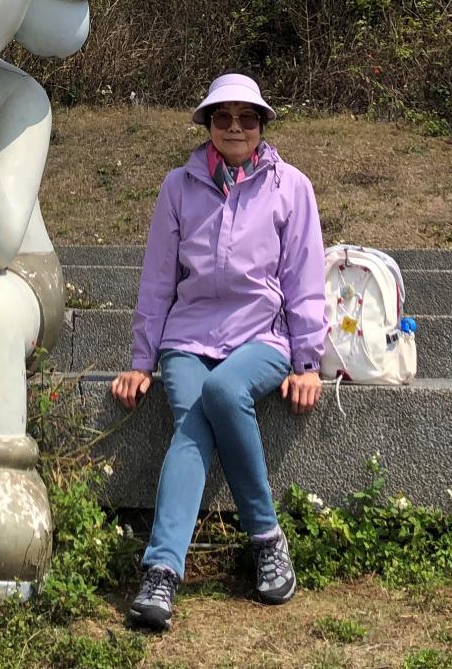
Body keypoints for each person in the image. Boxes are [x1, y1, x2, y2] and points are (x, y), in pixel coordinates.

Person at [113, 72, 326, 631]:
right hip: (187, 339)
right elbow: (158, 279)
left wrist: (307, 361)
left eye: (246, 117)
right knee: (192, 426)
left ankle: (265, 536)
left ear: (261, 126)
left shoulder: (291, 187)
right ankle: (162, 572)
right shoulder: (178, 187)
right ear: (208, 124)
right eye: (223, 117)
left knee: (225, 390)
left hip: (262, 337)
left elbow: (304, 277)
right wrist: (142, 361)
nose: (235, 127)